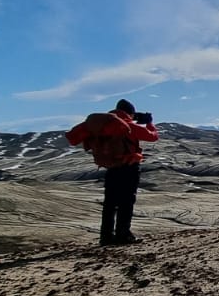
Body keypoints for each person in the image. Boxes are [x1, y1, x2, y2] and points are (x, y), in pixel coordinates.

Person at [65, 99, 158, 246]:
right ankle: (123, 235)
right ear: (130, 113)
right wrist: (149, 123)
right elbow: (152, 136)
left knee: (110, 204)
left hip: (111, 168)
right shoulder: (127, 125)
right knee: (126, 202)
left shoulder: (101, 126)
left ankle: (106, 237)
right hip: (128, 167)